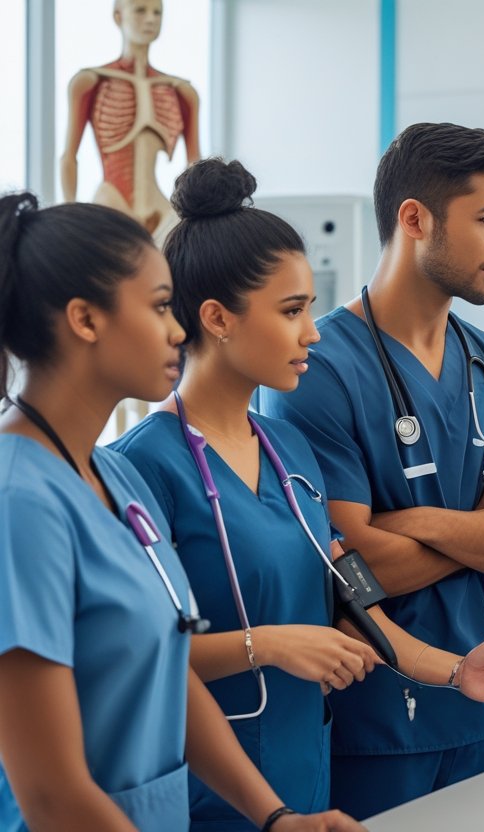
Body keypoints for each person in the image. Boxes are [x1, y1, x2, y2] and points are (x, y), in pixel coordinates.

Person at [110, 158, 484, 829]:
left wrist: (461, 671)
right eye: (292, 311)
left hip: (307, 781)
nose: (312, 334)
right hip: (213, 795)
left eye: (311, 309)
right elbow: (130, 659)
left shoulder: (289, 456)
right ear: (218, 318)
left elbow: (354, 604)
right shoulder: (141, 467)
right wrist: (273, 645)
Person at [0, 194, 359, 830]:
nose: (177, 328)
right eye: (161, 306)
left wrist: (275, 818)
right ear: (85, 319)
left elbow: (170, 669)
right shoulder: (19, 503)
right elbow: (52, 795)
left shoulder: (109, 475)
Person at [260, 123, 484, 819]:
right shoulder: (317, 369)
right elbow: (349, 569)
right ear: (415, 219)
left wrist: (424, 522)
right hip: (376, 723)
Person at [61, 0, 200, 242]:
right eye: (140, 10)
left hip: (162, 210)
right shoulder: (89, 82)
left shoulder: (182, 92)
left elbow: (195, 165)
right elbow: (69, 157)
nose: (151, 19)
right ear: (118, 16)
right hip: (111, 201)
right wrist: (69, 218)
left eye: (157, 12)